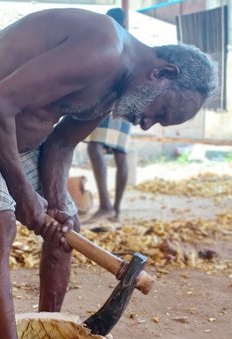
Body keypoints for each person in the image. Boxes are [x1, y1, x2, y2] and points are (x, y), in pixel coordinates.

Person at [0, 8, 217, 339]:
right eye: (160, 111)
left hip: (10, 135)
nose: (145, 124)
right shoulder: (102, 52)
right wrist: (25, 196)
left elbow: (61, 145)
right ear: (162, 73)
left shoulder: (118, 88)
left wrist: (57, 200)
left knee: (67, 228)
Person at [85, 8, 132, 222]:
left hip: (118, 99)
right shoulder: (113, 39)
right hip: (111, 99)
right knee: (105, 150)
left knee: (112, 152)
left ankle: (110, 208)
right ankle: (111, 208)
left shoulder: (123, 41)